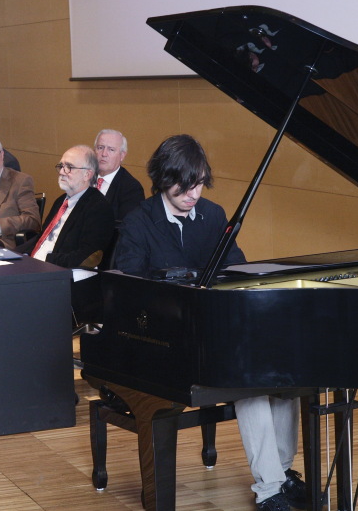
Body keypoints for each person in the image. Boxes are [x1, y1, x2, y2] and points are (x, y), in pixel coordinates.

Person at [113, 134, 306, 511]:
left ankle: (281, 476)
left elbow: (236, 269)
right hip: (167, 340)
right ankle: (269, 490)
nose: (193, 193)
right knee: (247, 381)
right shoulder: (139, 221)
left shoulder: (214, 215)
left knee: (283, 373)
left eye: (199, 183)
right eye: (184, 185)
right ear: (162, 178)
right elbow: (130, 290)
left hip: (216, 331)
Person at [18, 145, 114, 268]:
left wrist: (43, 259)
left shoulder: (99, 208)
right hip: (36, 264)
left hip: (61, 272)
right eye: (61, 166)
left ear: (87, 174)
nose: (62, 172)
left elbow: (86, 257)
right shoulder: (61, 201)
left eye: (69, 167)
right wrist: (14, 253)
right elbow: (42, 238)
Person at [94, 129, 144, 221]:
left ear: (122, 155)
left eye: (111, 149)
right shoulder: (84, 177)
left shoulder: (131, 188)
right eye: (100, 148)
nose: (104, 154)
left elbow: (126, 228)